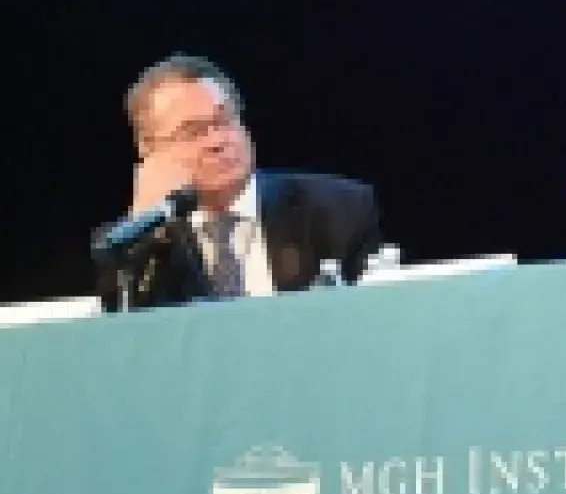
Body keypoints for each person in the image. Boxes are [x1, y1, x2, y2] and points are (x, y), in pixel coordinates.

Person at [94, 54, 384, 311]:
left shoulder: (337, 211)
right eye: (193, 132)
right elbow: (128, 348)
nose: (219, 141)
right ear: (149, 150)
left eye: (224, 121)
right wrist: (148, 226)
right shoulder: (122, 249)